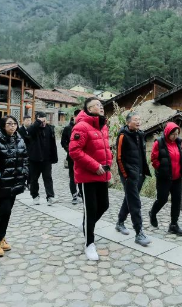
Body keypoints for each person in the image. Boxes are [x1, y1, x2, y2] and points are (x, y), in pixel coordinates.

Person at [69, 97, 112, 261]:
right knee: (91, 209)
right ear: (88, 109)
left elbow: (106, 150)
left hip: (102, 174)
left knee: (104, 205)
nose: (101, 107)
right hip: (87, 177)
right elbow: (75, 152)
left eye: (101, 105)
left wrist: (109, 167)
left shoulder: (103, 126)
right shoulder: (81, 126)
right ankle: (89, 244)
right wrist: (95, 166)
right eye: (97, 105)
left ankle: (87, 225)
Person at [0, 115, 28, 257]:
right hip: (2, 184)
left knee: (7, 211)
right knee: (4, 211)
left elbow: (25, 158)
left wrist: (25, 173)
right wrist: (0, 178)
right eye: (9, 124)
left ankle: (2, 237)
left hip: (15, 182)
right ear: (3, 126)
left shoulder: (19, 140)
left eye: (14, 123)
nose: (12, 126)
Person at [115, 111, 152, 246]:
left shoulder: (140, 134)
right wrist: (125, 175)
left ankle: (120, 222)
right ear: (128, 122)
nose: (138, 121)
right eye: (135, 119)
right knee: (135, 202)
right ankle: (139, 233)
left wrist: (142, 172)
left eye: (139, 119)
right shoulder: (123, 136)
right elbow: (118, 158)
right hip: (129, 175)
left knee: (129, 198)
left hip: (139, 174)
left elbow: (141, 155)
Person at [149, 122, 182, 236]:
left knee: (176, 200)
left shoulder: (179, 143)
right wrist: (160, 169)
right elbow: (154, 159)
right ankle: (153, 213)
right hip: (164, 178)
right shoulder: (159, 143)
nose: (175, 136)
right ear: (167, 133)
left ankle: (174, 225)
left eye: (177, 134)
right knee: (162, 199)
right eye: (173, 134)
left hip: (177, 178)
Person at [27, 111, 58, 205]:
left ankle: (50, 197)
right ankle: (35, 196)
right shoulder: (33, 129)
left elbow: (53, 144)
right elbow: (30, 130)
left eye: (45, 119)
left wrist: (54, 157)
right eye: (41, 120)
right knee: (34, 179)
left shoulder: (49, 128)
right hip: (34, 159)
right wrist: (38, 122)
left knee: (48, 178)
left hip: (47, 159)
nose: (43, 122)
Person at [61, 109, 82, 204]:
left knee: (81, 176)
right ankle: (74, 194)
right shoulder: (67, 128)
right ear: (74, 117)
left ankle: (81, 193)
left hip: (82, 157)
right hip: (71, 157)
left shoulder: (83, 127)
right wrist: (69, 150)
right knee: (73, 176)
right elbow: (63, 142)